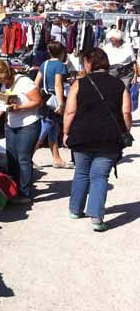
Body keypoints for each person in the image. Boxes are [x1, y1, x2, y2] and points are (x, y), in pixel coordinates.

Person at [63, 47, 132, 232]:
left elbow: (70, 111)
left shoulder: (79, 84)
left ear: (88, 63)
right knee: (100, 176)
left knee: (81, 172)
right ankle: (96, 218)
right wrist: (125, 131)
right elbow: (126, 112)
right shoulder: (120, 85)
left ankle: (75, 210)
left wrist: (66, 133)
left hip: (82, 135)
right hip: (109, 138)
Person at [0, 60, 42, 204]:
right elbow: (1, 107)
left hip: (28, 124)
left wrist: (19, 108)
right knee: (12, 159)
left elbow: (38, 101)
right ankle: (14, 189)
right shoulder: (5, 84)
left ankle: (24, 193)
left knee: (23, 159)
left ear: (5, 74)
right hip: (11, 125)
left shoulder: (24, 82)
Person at [34, 41, 70, 168]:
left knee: (53, 130)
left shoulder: (45, 63)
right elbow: (58, 85)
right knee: (45, 129)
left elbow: (36, 82)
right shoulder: (60, 65)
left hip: (44, 98)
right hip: (54, 100)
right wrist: (61, 103)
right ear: (62, 52)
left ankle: (57, 159)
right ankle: (28, 156)